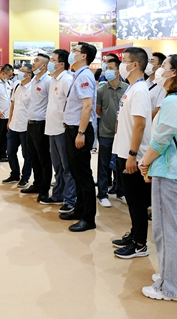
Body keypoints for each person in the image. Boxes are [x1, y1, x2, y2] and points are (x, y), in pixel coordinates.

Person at [139, 55, 177, 301]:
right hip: (173, 170)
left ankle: (170, 287)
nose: (158, 69)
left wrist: (145, 161)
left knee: (166, 230)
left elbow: (162, 138)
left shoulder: (173, 101)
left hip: (166, 169)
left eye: (163, 66)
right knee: (175, 228)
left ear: (174, 72)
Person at [112, 47, 153, 259]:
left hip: (133, 155)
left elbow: (140, 125)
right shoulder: (132, 87)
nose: (121, 65)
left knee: (137, 202)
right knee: (131, 200)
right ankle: (135, 234)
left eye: (124, 61)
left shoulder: (139, 91)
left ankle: (140, 244)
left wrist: (132, 154)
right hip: (124, 152)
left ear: (135, 64)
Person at [60, 42, 97, 232]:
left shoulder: (85, 76)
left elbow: (87, 106)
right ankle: (80, 209)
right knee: (76, 173)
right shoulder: (78, 75)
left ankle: (88, 218)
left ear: (83, 56)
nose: (72, 53)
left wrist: (81, 132)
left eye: (75, 51)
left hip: (79, 130)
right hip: (72, 129)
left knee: (83, 175)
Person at [44, 49, 76, 212]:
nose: (50, 63)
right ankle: (58, 194)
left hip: (63, 130)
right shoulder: (54, 80)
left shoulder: (67, 80)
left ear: (61, 64)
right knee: (57, 166)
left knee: (67, 167)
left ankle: (70, 199)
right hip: (52, 128)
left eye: (53, 60)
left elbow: (71, 105)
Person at [96, 57, 128, 208]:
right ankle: (102, 194)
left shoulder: (127, 88)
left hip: (122, 134)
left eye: (110, 68)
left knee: (121, 164)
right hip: (105, 132)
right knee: (104, 164)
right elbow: (99, 110)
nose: (107, 71)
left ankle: (121, 192)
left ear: (118, 71)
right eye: (106, 68)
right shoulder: (101, 90)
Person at [21, 54, 53, 203]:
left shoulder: (48, 81)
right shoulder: (34, 80)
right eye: (34, 60)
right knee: (33, 156)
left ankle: (44, 190)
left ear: (44, 66)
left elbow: (51, 103)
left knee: (44, 159)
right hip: (30, 123)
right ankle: (37, 184)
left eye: (37, 61)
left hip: (41, 124)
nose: (33, 63)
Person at [3, 64, 34, 185]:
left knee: (27, 155)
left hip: (26, 127)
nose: (19, 72)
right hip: (14, 125)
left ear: (29, 75)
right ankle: (14, 174)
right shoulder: (17, 86)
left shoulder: (33, 88)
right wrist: (9, 120)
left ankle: (25, 177)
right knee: (10, 152)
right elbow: (13, 105)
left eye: (22, 71)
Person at [145, 52, 167, 119]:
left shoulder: (162, 85)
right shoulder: (145, 82)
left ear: (159, 67)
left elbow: (158, 109)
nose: (148, 64)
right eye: (148, 61)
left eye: (151, 61)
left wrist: (144, 120)